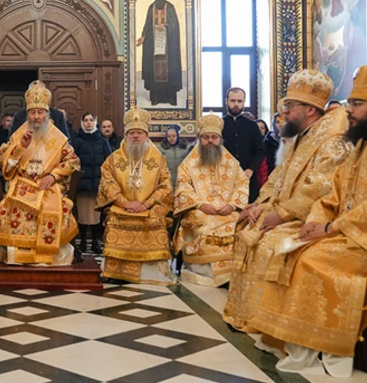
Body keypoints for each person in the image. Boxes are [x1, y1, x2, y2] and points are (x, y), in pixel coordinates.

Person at [245, 66, 367, 377]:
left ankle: (318, 347)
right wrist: (316, 221)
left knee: (307, 259)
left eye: (356, 104)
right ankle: (283, 337)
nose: (347, 111)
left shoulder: (336, 140)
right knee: (292, 246)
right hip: (341, 230)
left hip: (357, 237)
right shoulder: (359, 148)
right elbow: (332, 196)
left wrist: (328, 228)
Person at [223, 69, 351, 333]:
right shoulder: (301, 137)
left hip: (311, 217)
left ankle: (270, 321)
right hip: (282, 210)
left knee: (269, 243)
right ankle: (247, 314)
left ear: (310, 110)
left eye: (290, 107)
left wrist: (280, 215)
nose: (285, 114)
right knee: (246, 226)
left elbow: (320, 188)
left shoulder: (331, 141)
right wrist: (259, 204)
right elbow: (278, 176)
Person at [0, 82, 80, 265]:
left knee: (55, 208)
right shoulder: (19, 135)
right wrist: (20, 148)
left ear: (47, 114)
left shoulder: (58, 137)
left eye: (40, 112)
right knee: (7, 206)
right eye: (32, 112)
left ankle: (48, 256)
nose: (36, 117)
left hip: (48, 186)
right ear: (27, 115)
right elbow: (5, 162)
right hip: (23, 185)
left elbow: (72, 161)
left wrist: (53, 176)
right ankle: (17, 255)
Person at [97, 108, 175, 285]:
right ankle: (116, 272)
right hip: (123, 206)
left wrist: (147, 204)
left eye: (140, 133)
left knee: (156, 218)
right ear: (126, 135)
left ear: (146, 135)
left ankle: (151, 273)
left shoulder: (158, 159)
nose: (136, 137)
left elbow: (165, 187)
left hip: (148, 207)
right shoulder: (113, 159)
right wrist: (125, 203)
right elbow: (107, 184)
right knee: (114, 219)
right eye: (132, 133)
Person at [173, 114, 249, 287]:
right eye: (205, 137)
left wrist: (232, 205)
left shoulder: (232, 162)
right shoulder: (188, 163)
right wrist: (200, 205)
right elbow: (182, 186)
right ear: (199, 139)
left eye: (214, 137)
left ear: (220, 139)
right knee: (200, 221)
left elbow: (242, 183)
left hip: (227, 210)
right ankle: (205, 272)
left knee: (239, 224)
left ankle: (231, 273)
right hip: (200, 210)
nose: (210, 141)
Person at [72, 112, 111, 254]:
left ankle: (94, 242)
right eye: (86, 120)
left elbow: (109, 162)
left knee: (96, 216)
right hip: (82, 185)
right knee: (83, 215)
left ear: (95, 122)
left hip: (98, 185)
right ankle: (82, 241)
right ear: (82, 123)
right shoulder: (77, 141)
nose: (88, 123)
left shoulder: (102, 141)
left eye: (90, 120)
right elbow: (72, 161)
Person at [136, 0, 182, 106]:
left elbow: (175, 25)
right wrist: (143, 37)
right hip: (154, 45)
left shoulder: (170, 7)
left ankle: (171, 98)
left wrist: (165, 26)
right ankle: (155, 98)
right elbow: (147, 25)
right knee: (154, 70)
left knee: (170, 71)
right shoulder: (151, 8)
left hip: (168, 47)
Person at [221, 87, 266, 202]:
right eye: (232, 101)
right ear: (226, 101)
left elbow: (260, 150)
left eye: (239, 101)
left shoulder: (252, 126)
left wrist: (250, 169)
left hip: (248, 177)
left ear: (244, 102)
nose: (236, 104)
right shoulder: (220, 124)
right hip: (224, 178)